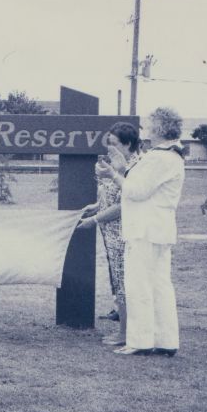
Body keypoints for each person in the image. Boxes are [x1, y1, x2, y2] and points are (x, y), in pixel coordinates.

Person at [113, 107, 185, 357]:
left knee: (139, 285)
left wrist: (116, 174)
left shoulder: (158, 157)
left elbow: (135, 191)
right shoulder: (172, 155)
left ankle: (140, 341)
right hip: (159, 228)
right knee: (159, 285)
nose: (146, 130)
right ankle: (165, 340)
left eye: (150, 125)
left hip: (144, 229)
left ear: (160, 128)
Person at [77, 122, 142, 346]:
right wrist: (96, 206)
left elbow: (123, 205)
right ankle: (125, 328)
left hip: (124, 233)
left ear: (128, 144)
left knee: (123, 281)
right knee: (117, 280)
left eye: (114, 143)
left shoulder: (135, 168)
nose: (109, 148)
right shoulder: (116, 165)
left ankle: (125, 333)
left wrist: (95, 219)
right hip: (110, 233)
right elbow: (110, 196)